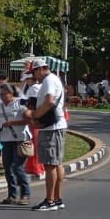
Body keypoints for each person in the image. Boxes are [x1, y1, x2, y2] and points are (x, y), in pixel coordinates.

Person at [27, 58, 67, 211]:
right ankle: (57, 198)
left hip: (51, 128)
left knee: (49, 165)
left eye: (34, 72)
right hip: (55, 126)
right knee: (56, 163)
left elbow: (49, 101)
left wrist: (36, 115)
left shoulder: (49, 80)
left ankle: (50, 200)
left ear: (40, 69)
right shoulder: (53, 79)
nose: (34, 76)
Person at [0, 83, 32, 205]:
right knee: (7, 167)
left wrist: (12, 123)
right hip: (5, 139)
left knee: (17, 166)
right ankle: (11, 194)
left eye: (5, 94)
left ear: (11, 93)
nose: (2, 96)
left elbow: (28, 120)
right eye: (1, 94)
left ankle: (25, 194)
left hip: (20, 139)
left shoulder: (20, 104)